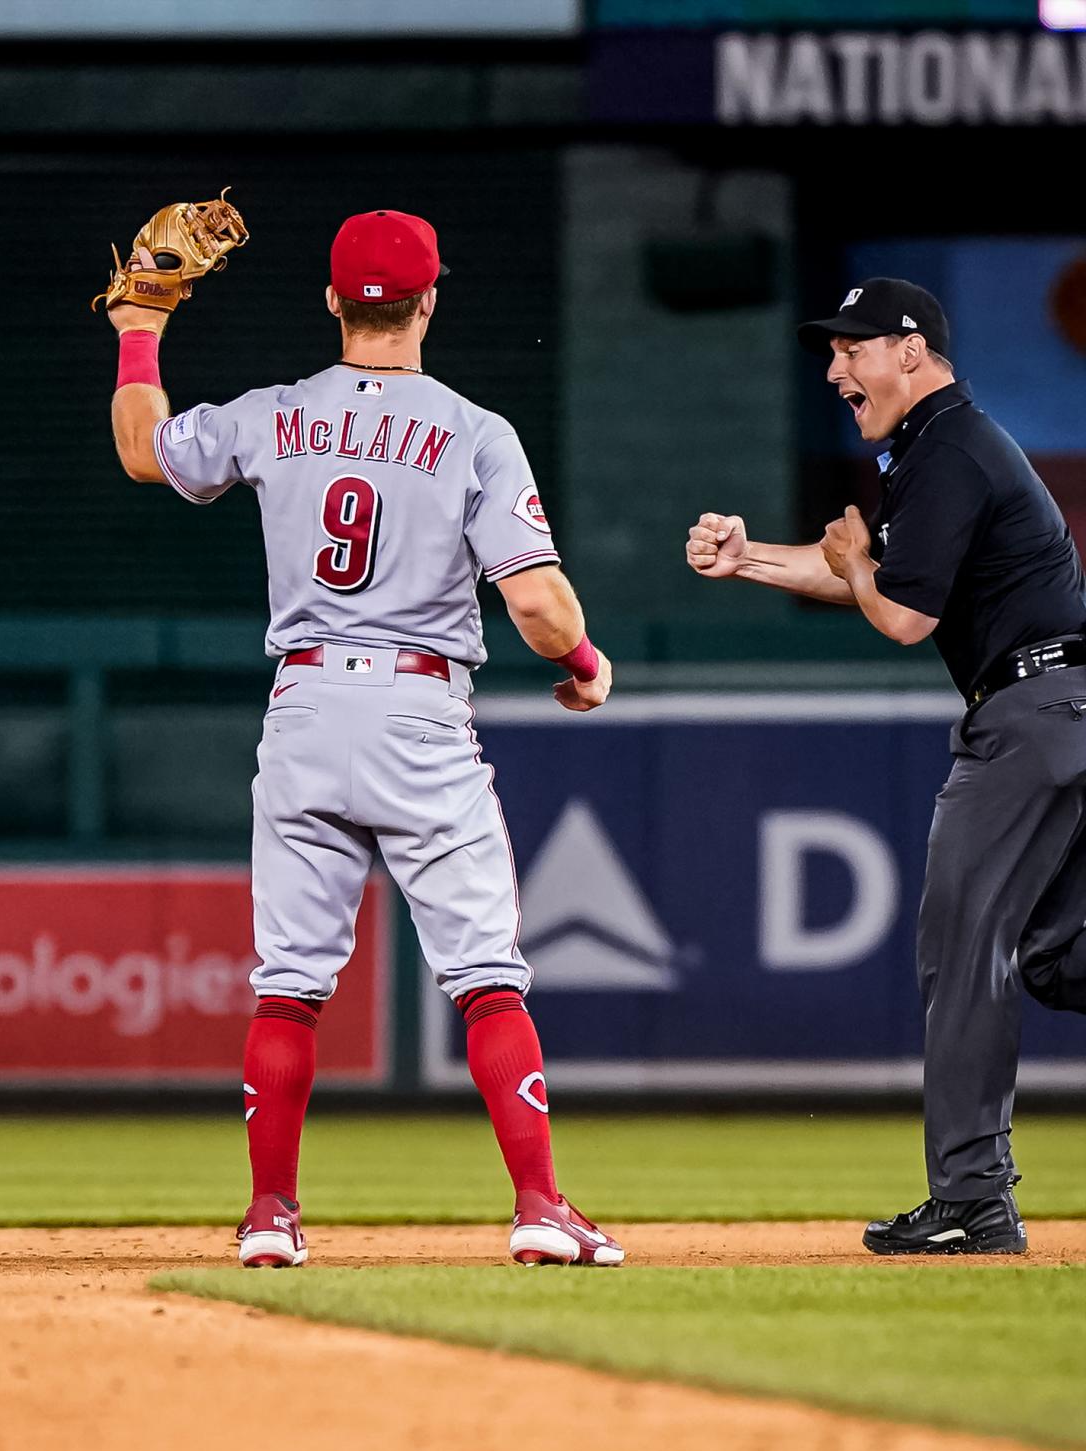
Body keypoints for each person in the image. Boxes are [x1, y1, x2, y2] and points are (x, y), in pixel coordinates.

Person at [105, 204, 624, 1269]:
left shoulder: (273, 411)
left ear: (333, 301)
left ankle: (268, 1217)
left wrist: (137, 324)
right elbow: (539, 610)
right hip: (415, 714)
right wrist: (579, 665)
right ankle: (536, 1203)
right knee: (484, 973)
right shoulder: (473, 430)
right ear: (429, 299)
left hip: (300, 709)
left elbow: (141, 453)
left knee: (288, 981)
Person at [688, 277, 1086, 1256]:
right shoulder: (940, 443)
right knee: (1051, 954)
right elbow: (869, 573)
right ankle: (971, 1191)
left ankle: (970, 1197)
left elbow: (899, 612)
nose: (834, 369)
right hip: (1062, 705)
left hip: (1030, 717)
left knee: (960, 949)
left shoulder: (946, 447)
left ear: (910, 349)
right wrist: (750, 560)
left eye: (851, 349)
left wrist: (858, 563)